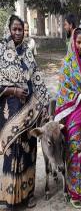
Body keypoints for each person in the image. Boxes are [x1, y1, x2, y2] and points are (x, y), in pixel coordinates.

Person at [0, 15, 49, 209]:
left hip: (29, 112)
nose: (18, 33)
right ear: (9, 30)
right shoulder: (2, 52)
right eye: (15, 29)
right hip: (10, 111)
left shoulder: (29, 53)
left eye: (21, 29)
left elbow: (37, 80)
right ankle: (10, 198)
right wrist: (13, 90)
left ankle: (28, 194)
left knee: (28, 151)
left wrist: (43, 106)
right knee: (12, 153)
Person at [54, 28, 81, 209]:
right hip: (73, 116)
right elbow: (63, 92)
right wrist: (80, 98)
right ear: (73, 43)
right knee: (75, 152)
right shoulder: (67, 64)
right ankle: (74, 194)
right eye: (78, 42)